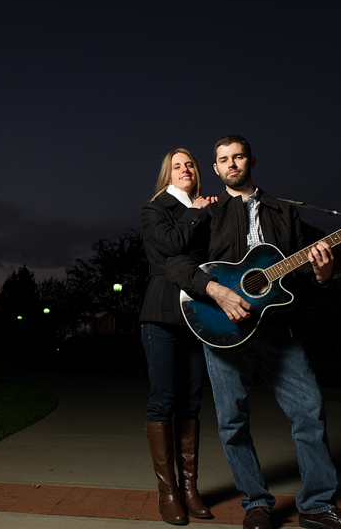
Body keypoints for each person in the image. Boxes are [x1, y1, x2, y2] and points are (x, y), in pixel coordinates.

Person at [165, 135, 341, 529]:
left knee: (309, 411)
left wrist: (323, 272)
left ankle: (318, 505)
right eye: (223, 159)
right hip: (221, 328)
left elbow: (303, 271)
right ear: (216, 168)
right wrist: (217, 292)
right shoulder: (205, 212)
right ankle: (255, 502)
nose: (231, 164)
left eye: (238, 156)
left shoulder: (284, 211)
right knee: (232, 421)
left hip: (277, 327)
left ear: (251, 160)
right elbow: (176, 265)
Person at [139, 148, 215, 525]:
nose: (186, 169)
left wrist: (208, 211)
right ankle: (168, 494)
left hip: (199, 315)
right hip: (162, 316)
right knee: (163, 400)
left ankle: (190, 490)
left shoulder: (205, 207)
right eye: (177, 166)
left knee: (191, 402)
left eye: (190, 164)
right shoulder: (155, 209)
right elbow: (171, 246)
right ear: (168, 176)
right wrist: (197, 211)